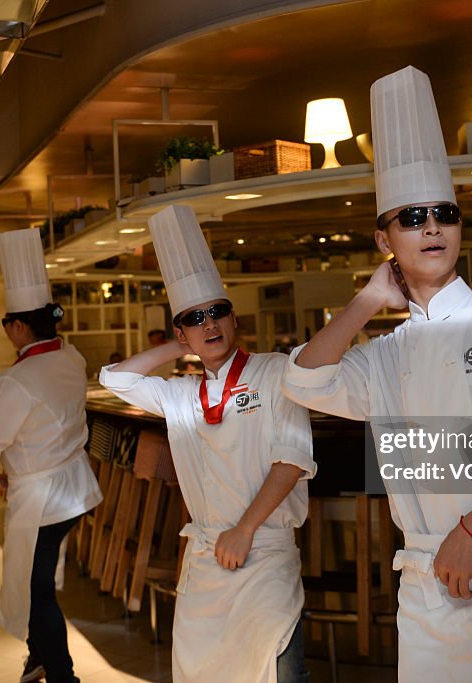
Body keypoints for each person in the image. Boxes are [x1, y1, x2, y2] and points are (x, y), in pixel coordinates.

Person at [282, 66, 472, 682]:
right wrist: (365, 303)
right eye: (411, 216)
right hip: (427, 588)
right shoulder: (386, 353)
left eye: (443, 213)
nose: (430, 227)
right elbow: (303, 381)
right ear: (385, 238)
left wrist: (471, 532)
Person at [100, 205, 315, 683]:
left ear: (233, 317)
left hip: (264, 550)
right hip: (204, 557)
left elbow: (292, 461)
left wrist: (244, 529)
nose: (210, 324)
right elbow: (114, 378)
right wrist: (182, 346)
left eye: (217, 313)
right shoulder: (179, 396)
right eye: (195, 319)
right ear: (180, 330)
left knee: (278, 667)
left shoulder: (276, 371)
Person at [0, 228, 101, 683]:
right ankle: (37, 657)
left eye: (8, 323)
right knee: (36, 579)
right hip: (74, 488)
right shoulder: (70, 356)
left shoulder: (18, 379)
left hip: (43, 497)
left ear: (18, 326)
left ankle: (62, 674)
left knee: (34, 589)